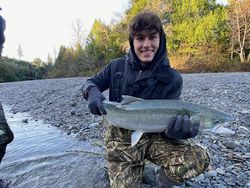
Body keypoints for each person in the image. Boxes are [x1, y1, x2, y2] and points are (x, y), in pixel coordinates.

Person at [82, 12, 210, 188]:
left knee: (198, 157)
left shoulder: (172, 78)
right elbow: (90, 82)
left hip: (154, 137)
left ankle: (162, 183)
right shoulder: (116, 66)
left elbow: (167, 129)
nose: (146, 44)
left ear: (160, 40)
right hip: (120, 138)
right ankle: (125, 167)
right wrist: (92, 92)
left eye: (152, 37)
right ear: (132, 42)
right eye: (140, 38)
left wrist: (174, 133)